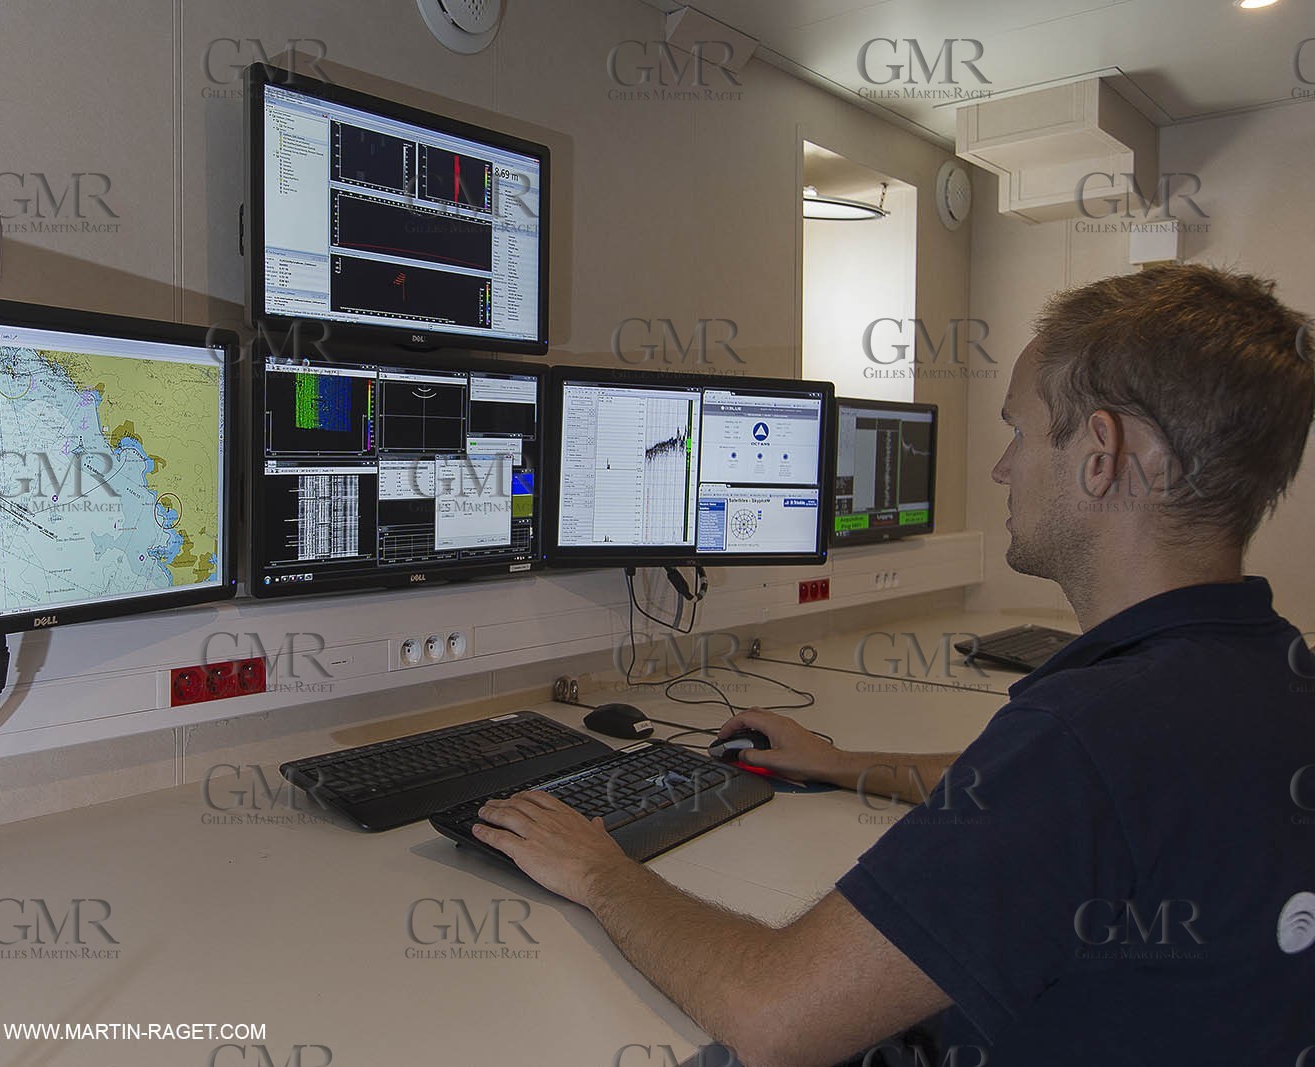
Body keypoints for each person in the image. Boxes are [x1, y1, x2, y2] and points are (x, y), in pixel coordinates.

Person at [472, 264, 1315, 1066]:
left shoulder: (1090, 733)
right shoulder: (1272, 670)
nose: (1002, 467)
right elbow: (1044, 797)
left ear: (1101, 454)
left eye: (1019, 430)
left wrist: (600, 871)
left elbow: (774, 1016)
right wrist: (843, 764)